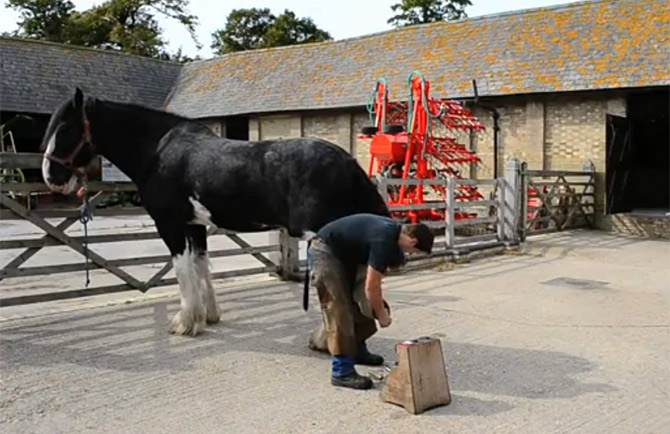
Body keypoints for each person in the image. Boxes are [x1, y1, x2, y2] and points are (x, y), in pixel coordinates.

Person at [305, 213, 434, 390]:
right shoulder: (384, 240)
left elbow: (368, 293)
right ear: (412, 241)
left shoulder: (391, 232)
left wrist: (377, 307)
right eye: (414, 251)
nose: (410, 254)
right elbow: (372, 287)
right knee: (339, 308)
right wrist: (382, 317)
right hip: (325, 251)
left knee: (364, 303)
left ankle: (356, 347)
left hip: (346, 255)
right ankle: (342, 371)